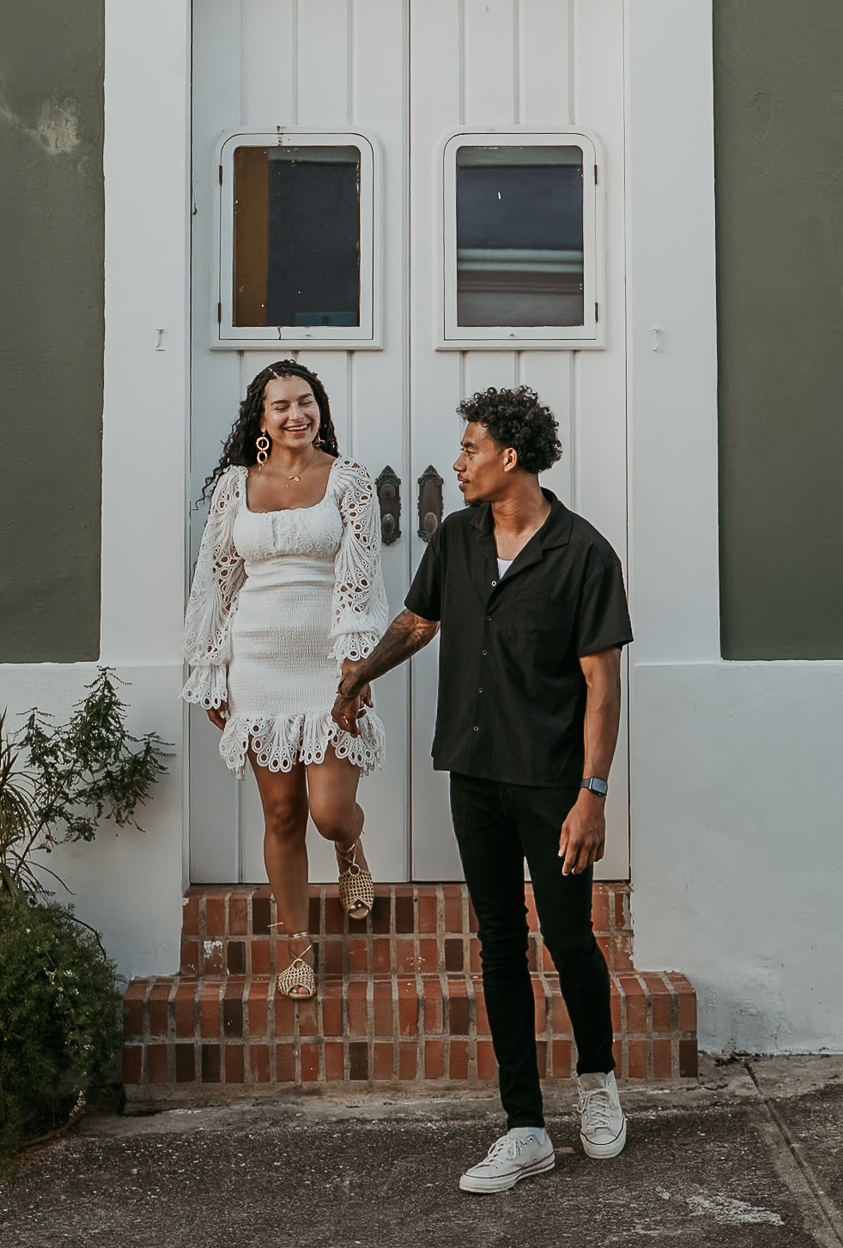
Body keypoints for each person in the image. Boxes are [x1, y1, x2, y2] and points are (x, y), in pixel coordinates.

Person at [333, 385, 631, 1193]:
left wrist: (592, 793)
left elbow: (601, 685)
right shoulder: (460, 537)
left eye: (469, 450)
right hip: (475, 776)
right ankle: (524, 1126)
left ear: (510, 457)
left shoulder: (584, 554)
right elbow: (421, 620)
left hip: (553, 785)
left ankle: (598, 1080)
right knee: (499, 945)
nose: (457, 464)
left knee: (569, 940)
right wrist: (364, 670)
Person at [183, 361, 388, 1001]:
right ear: (261, 418)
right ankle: (297, 948)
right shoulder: (232, 487)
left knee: (327, 814)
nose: (296, 414)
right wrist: (213, 671)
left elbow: (362, 580)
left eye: (306, 401)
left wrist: (358, 668)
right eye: (281, 406)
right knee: (281, 813)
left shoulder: (349, 482)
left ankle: (351, 847)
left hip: (327, 667)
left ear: (319, 408)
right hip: (258, 666)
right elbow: (217, 581)